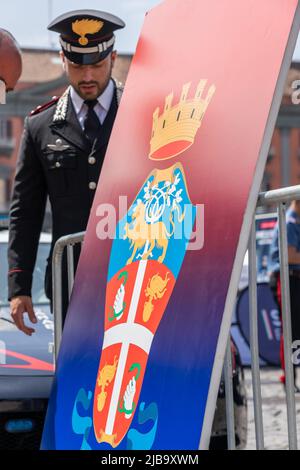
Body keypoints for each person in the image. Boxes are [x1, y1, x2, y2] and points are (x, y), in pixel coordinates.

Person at [8, 10, 125, 335]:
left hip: (133, 277)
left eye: (96, 65)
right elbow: (26, 212)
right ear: (62, 59)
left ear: (113, 58)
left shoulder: (139, 113)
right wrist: (20, 286)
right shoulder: (40, 125)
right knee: (78, 378)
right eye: (77, 65)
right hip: (69, 281)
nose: (87, 75)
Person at [269, 200, 300, 391]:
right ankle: (288, 377)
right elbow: (290, 256)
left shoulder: (293, 220)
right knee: (290, 331)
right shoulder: (289, 222)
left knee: (293, 331)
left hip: (292, 279)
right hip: (288, 279)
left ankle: (290, 377)